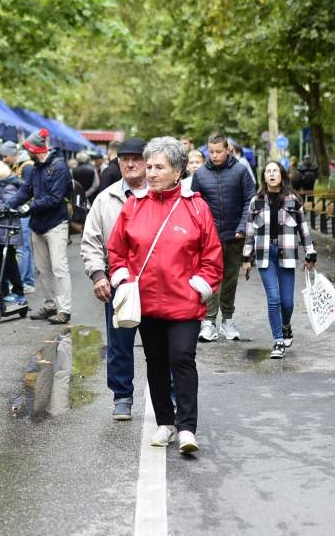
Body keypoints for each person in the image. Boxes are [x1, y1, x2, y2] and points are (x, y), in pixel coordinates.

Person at [106, 137, 222, 453]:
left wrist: (200, 285)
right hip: (147, 303)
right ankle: (165, 423)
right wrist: (121, 275)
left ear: (177, 171)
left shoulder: (196, 207)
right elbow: (116, 249)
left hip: (184, 302)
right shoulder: (133, 205)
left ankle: (187, 428)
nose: (152, 173)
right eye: (150, 166)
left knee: (182, 358)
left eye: (160, 167)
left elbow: (212, 255)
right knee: (155, 362)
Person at [81, 137, 147, 421]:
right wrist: (98, 275)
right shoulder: (105, 199)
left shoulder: (160, 194)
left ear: (147, 162)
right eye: (124, 159)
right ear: (118, 162)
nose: (130, 164)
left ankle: (168, 396)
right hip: (119, 283)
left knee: (160, 346)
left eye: (136, 158)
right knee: (120, 345)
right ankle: (122, 396)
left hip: (156, 283)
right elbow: (90, 242)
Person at [242, 161, 316, 359]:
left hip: (287, 253)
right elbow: (249, 231)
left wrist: (310, 252)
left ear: (282, 175)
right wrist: (246, 257)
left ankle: (285, 325)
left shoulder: (293, 200)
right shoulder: (255, 201)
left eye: (275, 171)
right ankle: (278, 341)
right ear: (264, 176)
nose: (272, 174)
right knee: (273, 300)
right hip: (265, 254)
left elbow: (304, 229)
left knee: (287, 303)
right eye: (268, 171)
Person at [191, 132, 256, 342]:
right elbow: (193, 205)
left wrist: (242, 227)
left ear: (227, 150)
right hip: (208, 238)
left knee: (229, 280)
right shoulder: (200, 175)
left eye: (219, 151)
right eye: (211, 152)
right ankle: (209, 322)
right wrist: (200, 231)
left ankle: (228, 320)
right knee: (210, 280)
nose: (215, 155)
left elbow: (250, 201)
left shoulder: (240, 171)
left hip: (234, 236)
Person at [6, 128, 74, 324]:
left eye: (28, 149)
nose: (26, 153)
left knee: (59, 268)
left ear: (36, 149)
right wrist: (8, 205)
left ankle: (65, 310)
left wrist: (28, 206)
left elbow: (54, 199)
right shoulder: (35, 168)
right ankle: (50, 305)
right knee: (43, 270)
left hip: (55, 224)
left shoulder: (59, 168)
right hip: (38, 225)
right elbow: (25, 190)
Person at [0, 162, 26, 305]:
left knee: (9, 261)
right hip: (0, 230)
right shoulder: (1, 186)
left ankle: (18, 291)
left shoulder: (8, 187)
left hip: (7, 230)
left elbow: (10, 205)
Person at [13, 149, 37, 293]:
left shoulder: (26, 166)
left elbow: (27, 190)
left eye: (5, 156)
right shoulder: (26, 165)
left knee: (23, 248)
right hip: (27, 211)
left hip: (25, 212)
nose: (5, 159)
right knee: (26, 247)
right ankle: (28, 280)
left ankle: (23, 282)